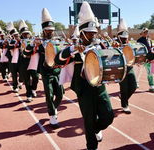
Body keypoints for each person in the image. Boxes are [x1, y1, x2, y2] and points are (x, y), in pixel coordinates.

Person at [55, 2, 114, 149]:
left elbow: (110, 59)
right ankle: (91, 145)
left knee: (108, 116)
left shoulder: (100, 45)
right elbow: (57, 60)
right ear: (81, 33)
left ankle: (96, 128)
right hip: (84, 89)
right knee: (88, 119)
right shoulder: (74, 49)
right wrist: (72, 50)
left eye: (94, 32)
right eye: (89, 32)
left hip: (100, 88)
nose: (93, 34)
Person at [38, 8, 64, 127]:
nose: (50, 32)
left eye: (52, 30)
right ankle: (52, 115)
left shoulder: (58, 41)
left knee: (60, 94)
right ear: (43, 30)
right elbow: (27, 52)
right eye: (48, 30)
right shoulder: (38, 42)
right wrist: (35, 45)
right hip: (46, 73)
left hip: (57, 71)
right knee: (49, 94)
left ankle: (53, 107)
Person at [113, 18, 137, 114]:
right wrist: (115, 48)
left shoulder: (129, 44)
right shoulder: (114, 44)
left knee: (134, 86)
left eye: (125, 37)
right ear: (119, 37)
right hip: (121, 69)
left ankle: (123, 97)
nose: (124, 39)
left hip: (130, 67)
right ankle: (125, 105)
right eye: (122, 37)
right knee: (124, 88)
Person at [137, 28, 154, 92]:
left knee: (149, 72)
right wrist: (138, 60)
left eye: (147, 32)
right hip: (141, 59)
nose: (146, 33)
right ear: (142, 33)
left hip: (149, 59)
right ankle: (136, 83)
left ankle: (151, 86)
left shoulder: (149, 40)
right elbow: (137, 50)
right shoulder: (139, 40)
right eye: (144, 32)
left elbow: (151, 49)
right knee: (138, 72)